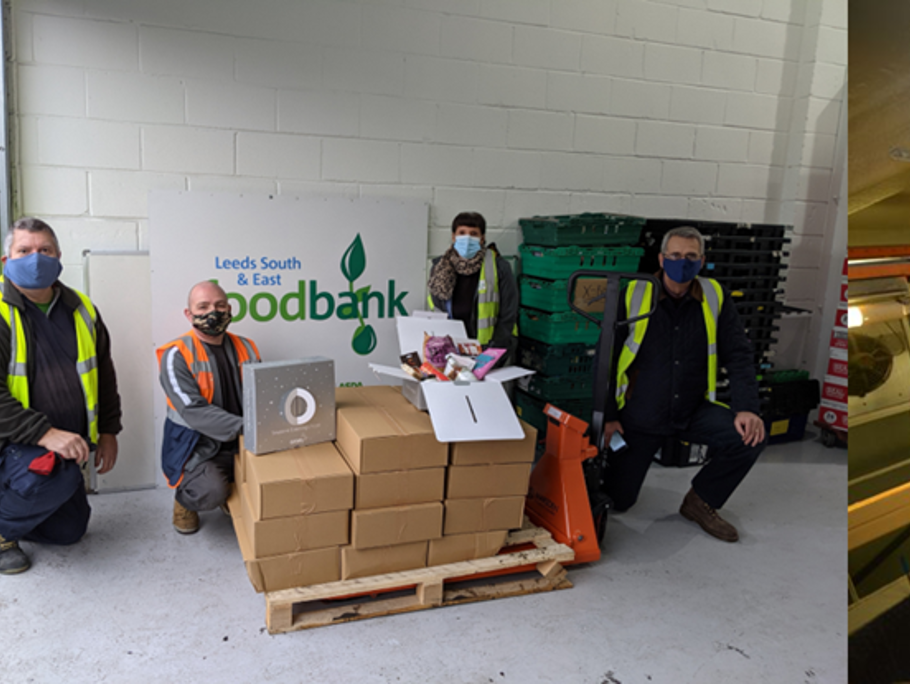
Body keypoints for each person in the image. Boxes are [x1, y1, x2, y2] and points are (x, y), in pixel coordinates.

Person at [602, 226, 766, 542]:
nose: (683, 262)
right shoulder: (635, 294)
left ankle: (700, 501)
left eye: (690, 256)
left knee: (751, 438)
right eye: (675, 255)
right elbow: (606, 359)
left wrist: (747, 408)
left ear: (701, 261)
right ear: (662, 259)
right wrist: (609, 416)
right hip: (641, 416)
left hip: (692, 409)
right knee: (619, 501)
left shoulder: (714, 296)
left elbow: (739, 355)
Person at [0, 217, 121, 574]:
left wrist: (110, 431)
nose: (35, 258)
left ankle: (17, 508)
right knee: (56, 479)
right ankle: (3, 530)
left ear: (59, 256)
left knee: (70, 531)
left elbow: (104, 373)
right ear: (7, 261)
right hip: (12, 446)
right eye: (24, 251)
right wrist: (43, 433)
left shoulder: (82, 308)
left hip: (65, 448)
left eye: (44, 250)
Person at [157, 281, 260, 535]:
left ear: (230, 309)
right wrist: (246, 427)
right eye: (202, 307)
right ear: (188, 314)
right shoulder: (176, 353)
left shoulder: (247, 347)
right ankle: (186, 500)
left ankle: (232, 493)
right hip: (198, 448)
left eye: (220, 305)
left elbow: (261, 395)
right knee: (211, 490)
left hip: (242, 440)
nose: (213, 312)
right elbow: (192, 411)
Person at [427, 212, 518, 363]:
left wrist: (495, 350)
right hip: (450, 350)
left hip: (489, 350)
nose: (467, 239)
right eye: (462, 233)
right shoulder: (439, 269)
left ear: (482, 239)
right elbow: (436, 308)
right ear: (453, 237)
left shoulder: (499, 267)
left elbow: (509, 312)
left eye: (473, 234)